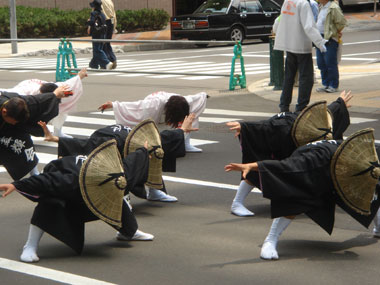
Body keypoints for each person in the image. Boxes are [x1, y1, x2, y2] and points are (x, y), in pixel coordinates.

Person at [225, 128, 380, 260]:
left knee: (369, 186)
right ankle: (270, 240)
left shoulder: (363, 151)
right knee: (297, 199)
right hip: (312, 165)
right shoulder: (314, 160)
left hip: (340, 169)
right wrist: (252, 166)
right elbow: (284, 166)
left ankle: (379, 227)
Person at [0, 140, 154, 263]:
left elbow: (132, 163)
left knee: (114, 193)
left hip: (96, 188)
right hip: (69, 194)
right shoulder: (69, 180)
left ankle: (128, 231)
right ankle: (30, 246)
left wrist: (143, 152)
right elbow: (45, 180)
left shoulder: (116, 175)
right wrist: (15, 185)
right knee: (48, 202)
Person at [226, 91, 352, 217]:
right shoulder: (286, 124)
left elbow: (330, 111)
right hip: (275, 143)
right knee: (259, 169)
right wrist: (244, 126)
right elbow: (266, 125)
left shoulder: (316, 120)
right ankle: (237, 203)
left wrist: (340, 103)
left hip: (292, 146)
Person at [37, 113, 198, 202]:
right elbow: (86, 144)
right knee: (120, 176)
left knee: (154, 152)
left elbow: (163, 138)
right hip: (111, 148)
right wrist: (56, 139)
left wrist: (183, 130)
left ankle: (155, 190)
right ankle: (125, 200)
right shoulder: (110, 141)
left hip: (128, 143)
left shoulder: (142, 138)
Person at [98, 91, 208, 153]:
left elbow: (196, 98)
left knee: (190, 117)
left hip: (172, 105)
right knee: (149, 127)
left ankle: (185, 143)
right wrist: (114, 105)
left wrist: (204, 95)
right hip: (153, 104)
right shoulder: (152, 104)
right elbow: (136, 106)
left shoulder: (185, 102)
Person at [0, 85, 71, 180]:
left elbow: (39, 101)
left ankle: (35, 174)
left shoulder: (23, 102)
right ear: (4, 112)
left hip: (15, 131)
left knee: (25, 147)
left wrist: (55, 95)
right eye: (14, 120)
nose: (14, 122)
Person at [273, 0, 327, 113]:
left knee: (289, 77)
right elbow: (309, 26)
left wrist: (276, 31)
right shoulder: (303, 4)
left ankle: (284, 106)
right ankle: (301, 108)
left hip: (289, 45)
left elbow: (280, 19)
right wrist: (320, 42)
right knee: (306, 78)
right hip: (301, 45)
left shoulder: (287, 2)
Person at [1, 68, 88, 138]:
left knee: (62, 110)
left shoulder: (56, 87)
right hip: (22, 94)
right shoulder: (26, 92)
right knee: (18, 116)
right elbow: (8, 94)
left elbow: (70, 84)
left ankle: (58, 131)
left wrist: (80, 76)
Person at [315, 0, 347, 93]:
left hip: (329, 38)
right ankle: (326, 84)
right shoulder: (321, 6)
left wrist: (335, 32)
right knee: (321, 63)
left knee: (330, 63)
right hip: (319, 38)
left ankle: (333, 85)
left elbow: (341, 22)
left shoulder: (333, 7)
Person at [87, 0, 113, 70]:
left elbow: (92, 22)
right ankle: (93, 65)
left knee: (97, 49)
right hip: (103, 33)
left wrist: (88, 22)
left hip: (96, 34)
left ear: (94, 7)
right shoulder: (102, 14)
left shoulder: (93, 14)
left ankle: (107, 62)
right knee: (98, 49)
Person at [101, 0, 117, 68]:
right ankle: (113, 59)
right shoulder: (109, 1)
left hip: (103, 22)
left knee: (102, 43)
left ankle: (106, 63)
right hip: (111, 22)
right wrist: (114, 27)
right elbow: (114, 14)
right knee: (107, 43)